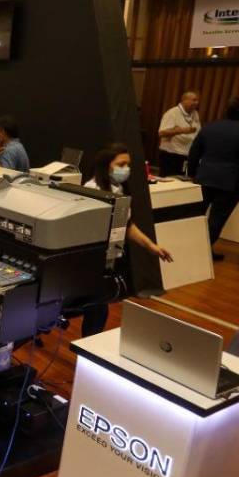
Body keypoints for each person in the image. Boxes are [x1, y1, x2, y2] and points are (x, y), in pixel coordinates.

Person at [79, 143, 173, 335]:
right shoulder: (93, 189)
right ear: (106, 165)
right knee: (97, 310)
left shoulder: (118, 188)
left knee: (98, 309)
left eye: (128, 165)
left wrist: (152, 247)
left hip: (108, 258)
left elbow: (127, 225)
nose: (126, 169)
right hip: (93, 260)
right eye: (121, 164)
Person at [187, 97, 239, 258]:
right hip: (231, 181)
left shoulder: (209, 128)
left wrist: (192, 174)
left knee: (195, 215)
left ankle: (188, 247)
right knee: (217, 219)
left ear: (226, 110)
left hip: (204, 176)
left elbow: (194, 152)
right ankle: (204, 251)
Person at [157, 91, 201, 177]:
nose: (197, 103)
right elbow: (161, 133)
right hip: (171, 156)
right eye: (194, 100)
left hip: (185, 156)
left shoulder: (195, 114)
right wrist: (181, 130)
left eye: (197, 100)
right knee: (169, 182)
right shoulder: (172, 113)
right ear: (184, 100)